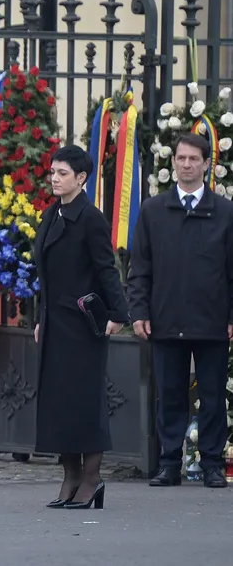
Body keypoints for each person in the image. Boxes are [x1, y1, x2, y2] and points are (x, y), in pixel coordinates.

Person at [128, 132, 233, 489]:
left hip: (212, 321)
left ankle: (212, 464)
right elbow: (140, 268)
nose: (186, 165)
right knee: (170, 395)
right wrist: (139, 311)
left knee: (213, 397)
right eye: (181, 158)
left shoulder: (225, 212)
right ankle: (169, 463)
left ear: (206, 164)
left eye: (193, 159)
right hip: (166, 317)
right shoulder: (153, 210)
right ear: (172, 162)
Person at [32, 144, 128, 510]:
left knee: (84, 402)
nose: (54, 179)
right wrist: (40, 318)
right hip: (55, 323)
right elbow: (46, 275)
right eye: (53, 172)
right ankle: (70, 476)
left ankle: (91, 478)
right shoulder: (52, 213)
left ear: (81, 178)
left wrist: (118, 313)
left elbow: (106, 269)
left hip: (84, 326)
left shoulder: (91, 218)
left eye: (62, 173)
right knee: (59, 404)